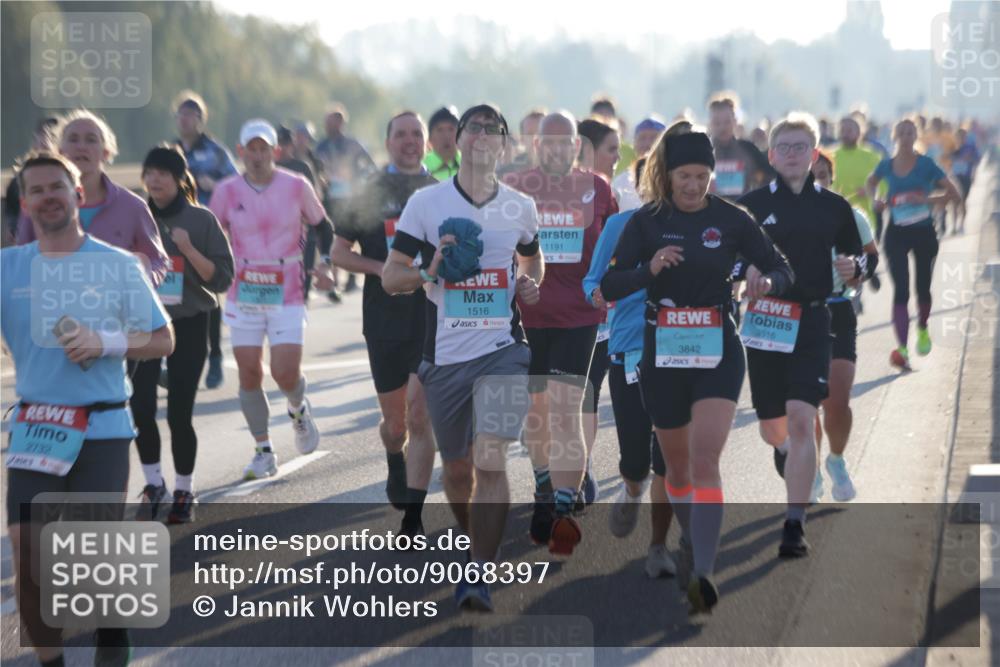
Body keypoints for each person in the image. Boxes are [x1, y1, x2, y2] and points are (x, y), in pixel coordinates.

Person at [601, 131, 793, 614]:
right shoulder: (646, 223)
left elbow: (781, 266)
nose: (693, 186)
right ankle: (688, 538)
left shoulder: (731, 219)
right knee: (678, 470)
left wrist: (766, 280)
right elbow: (610, 283)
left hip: (716, 352)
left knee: (706, 459)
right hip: (663, 355)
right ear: (666, 176)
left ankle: (704, 572)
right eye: (685, 176)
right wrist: (649, 269)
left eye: (702, 177)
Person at [4, 151, 174, 667]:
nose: (47, 197)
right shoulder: (9, 267)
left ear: (78, 195)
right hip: (36, 427)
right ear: (24, 205)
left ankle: (112, 629)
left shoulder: (117, 264)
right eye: (36, 190)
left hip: (101, 423)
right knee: (29, 560)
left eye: (57, 187)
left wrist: (107, 341)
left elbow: (164, 338)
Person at [383, 103, 543, 612]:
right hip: (444, 359)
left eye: (491, 130)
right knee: (457, 472)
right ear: (458, 140)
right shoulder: (425, 205)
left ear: (502, 144)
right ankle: (478, 541)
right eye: (471, 128)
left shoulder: (520, 206)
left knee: (492, 456)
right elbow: (391, 277)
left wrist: (527, 280)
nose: (480, 137)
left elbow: (532, 256)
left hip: (504, 351)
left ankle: (478, 572)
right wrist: (430, 272)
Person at [738, 113, 865, 559]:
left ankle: (795, 523)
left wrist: (855, 269)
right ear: (772, 155)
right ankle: (787, 451)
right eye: (784, 148)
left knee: (800, 415)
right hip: (766, 322)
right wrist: (745, 272)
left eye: (800, 148)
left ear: (814, 155)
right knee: (773, 427)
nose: (792, 156)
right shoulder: (750, 205)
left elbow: (859, 260)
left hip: (813, 319)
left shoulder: (834, 207)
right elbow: (732, 262)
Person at [314, 111, 438, 539]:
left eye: (416, 134)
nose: (410, 140)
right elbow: (339, 253)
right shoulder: (370, 191)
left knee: (420, 414)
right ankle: (394, 459)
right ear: (388, 142)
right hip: (384, 318)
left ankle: (414, 516)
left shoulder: (441, 193)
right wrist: (387, 268)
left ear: (425, 142)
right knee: (397, 424)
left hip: (430, 319)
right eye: (401, 134)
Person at [503, 111, 617, 555]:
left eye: (564, 141)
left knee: (568, 407)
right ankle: (544, 488)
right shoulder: (516, 187)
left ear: (576, 146)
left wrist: (611, 284)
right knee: (538, 412)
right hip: (530, 315)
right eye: (547, 141)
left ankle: (563, 509)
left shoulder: (599, 188)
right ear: (537, 146)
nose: (556, 148)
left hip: (579, 314)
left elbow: (613, 247)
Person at [208, 119, 334, 479]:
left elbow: (322, 225)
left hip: (287, 288)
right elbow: (214, 234)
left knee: (284, 371)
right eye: (252, 149)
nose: (258, 156)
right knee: (249, 373)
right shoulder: (227, 191)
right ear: (241, 151)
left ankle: (297, 408)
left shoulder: (296, 185)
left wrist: (324, 263)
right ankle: (263, 451)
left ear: (276, 152)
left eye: (265, 149)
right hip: (243, 288)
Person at [583, 155, 676, 578]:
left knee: (671, 457)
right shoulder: (622, 225)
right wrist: (597, 296)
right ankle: (632, 487)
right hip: (629, 351)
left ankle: (661, 545)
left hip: (681, 351)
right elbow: (593, 280)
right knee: (637, 458)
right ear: (641, 184)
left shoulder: (701, 226)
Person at [131, 145, 234, 523]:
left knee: (179, 414)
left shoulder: (200, 220)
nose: (155, 179)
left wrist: (188, 249)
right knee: (140, 407)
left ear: (178, 178)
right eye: (150, 172)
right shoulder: (133, 217)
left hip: (189, 323)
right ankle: (153, 484)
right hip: (142, 324)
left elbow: (222, 279)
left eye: (163, 172)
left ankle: (184, 490)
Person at [17, 110, 170, 286]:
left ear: (106, 152)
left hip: (115, 310)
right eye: (73, 139)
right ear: (59, 150)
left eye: (91, 139)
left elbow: (157, 260)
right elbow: (22, 259)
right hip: (53, 306)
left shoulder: (133, 206)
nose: (81, 146)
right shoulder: (42, 205)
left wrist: (139, 285)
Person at [866, 118, 964, 371]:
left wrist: (927, 199)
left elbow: (953, 193)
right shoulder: (886, 165)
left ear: (916, 136)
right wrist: (877, 200)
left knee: (923, 287)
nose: (907, 137)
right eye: (902, 132)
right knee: (901, 290)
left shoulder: (927, 165)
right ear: (896, 136)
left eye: (911, 132)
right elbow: (871, 184)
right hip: (896, 233)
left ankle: (922, 327)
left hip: (924, 233)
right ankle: (902, 348)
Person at [811, 151, 879, 502]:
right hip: (799, 315)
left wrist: (858, 267)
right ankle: (810, 469)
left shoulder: (851, 217)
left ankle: (835, 460)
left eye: (822, 175)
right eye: (811, 175)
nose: (816, 181)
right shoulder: (781, 219)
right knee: (807, 403)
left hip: (838, 310)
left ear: (831, 178)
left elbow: (872, 255)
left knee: (837, 402)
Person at [172, 91, 239, 389]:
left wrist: (217, 183)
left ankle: (214, 356)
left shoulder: (216, 151)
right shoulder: (170, 150)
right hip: (173, 230)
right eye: (181, 114)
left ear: (201, 120)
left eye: (191, 114)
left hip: (207, 229)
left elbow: (237, 184)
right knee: (170, 290)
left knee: (209, 291)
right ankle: (168, 353)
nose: (185, 119)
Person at [576, 116, 622, 503]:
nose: (618, 157)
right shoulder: (547, 190)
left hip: (603, 312)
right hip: (555, 312)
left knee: (588, 389)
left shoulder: (611, 192)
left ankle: (582, 466)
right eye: (612, 150)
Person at [316, 103, 377, 300]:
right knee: (332, 236)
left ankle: (351, 276)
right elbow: (314, 169)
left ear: (342, 123)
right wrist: (322, 179)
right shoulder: (321, 146)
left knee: (350, 237)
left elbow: (370, 166)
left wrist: (358, 180)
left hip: (351, 197)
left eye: (333, 122)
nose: (330, 126)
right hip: (330, 197)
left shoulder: (353, 144)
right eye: (327, 123)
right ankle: (334, 281)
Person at [705, 92, 772, 200]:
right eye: (717, 122)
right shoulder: (703, 151)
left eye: (727, 122)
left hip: (743, 210)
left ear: (735, 121)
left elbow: (769, 175)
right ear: (710, 124)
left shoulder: (748, 149)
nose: (722, 127)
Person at [4, 117, 58, 244]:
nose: (45, 141)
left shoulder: (71, 177)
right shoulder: (19, 179)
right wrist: (12, 229)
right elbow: (12, 210)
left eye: (51, 136)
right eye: (42, 135)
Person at [612, 117, 666, 210]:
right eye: (642, 138)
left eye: (654, 138)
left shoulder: (673, 177)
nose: (648, 143)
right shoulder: (621, 182)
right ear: (634, 144)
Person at [949, 126, 980, 234]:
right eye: (958, 136)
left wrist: (969, 159)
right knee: (955, 201)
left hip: (966, 177)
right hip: (954, 177)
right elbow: (945, 159)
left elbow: (977, 159)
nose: (960, 138)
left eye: (962, 136)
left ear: (965, 137)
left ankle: (961, 224)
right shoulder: (952, 148)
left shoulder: (970, 148)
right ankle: (953, 226)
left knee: (963, 201)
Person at [423, 106, 461, 181]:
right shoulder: (421, 167)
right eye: (439, 130)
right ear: (429, 138)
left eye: (451, 129)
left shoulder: (469, 165)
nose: (446, 136)